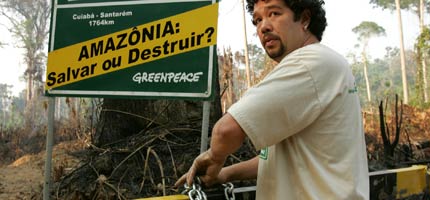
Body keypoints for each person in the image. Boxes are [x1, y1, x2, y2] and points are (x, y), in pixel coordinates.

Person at [175, 0, 370, 199]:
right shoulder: (325, 64)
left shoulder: (309, 63)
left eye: (274, 14)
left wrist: (214, 157)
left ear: (304, 19)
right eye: (257, 20)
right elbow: (276, 158)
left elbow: (226, 130)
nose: (264, 27)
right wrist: (225, 174)